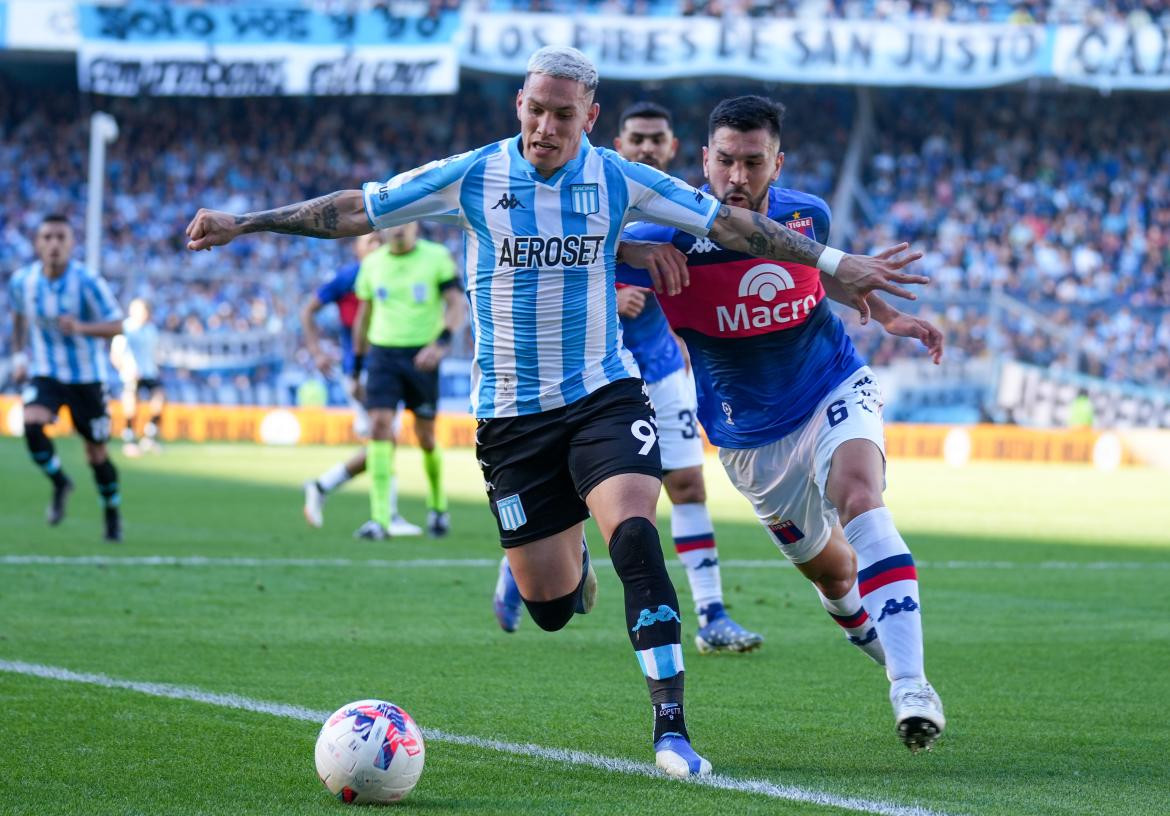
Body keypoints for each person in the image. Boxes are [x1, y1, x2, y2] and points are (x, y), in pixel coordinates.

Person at [185, 46, 925, 776]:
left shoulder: (617, 179)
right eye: (535, 110)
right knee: (549, 602)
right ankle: (571, 569)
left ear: (589, 118)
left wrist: (834, 265)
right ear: (519, 107)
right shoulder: (475, 175)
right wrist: (245, 222)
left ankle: (672, 732)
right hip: (510, 418)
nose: (545, 126)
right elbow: (356, 208)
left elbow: (727, 227)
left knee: (638, 534)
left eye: (563, 114)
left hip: (603, 396)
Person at [619, 95, 946, 752]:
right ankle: (864, 625)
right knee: (831, 574)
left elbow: (822, 276)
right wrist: (618, 284)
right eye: (726, 161)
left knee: (861, 496)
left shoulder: (807, 213)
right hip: (751, 439)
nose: (738, 177)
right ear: (704, 159)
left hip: (831, 384)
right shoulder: (660, 240)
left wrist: (888, 317)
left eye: (753, 162)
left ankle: (911, 683)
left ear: (778, 162)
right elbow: (578, 274)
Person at [491, 101, 764, 654]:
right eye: (635, 138)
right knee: (582, 489)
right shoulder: (589, 194)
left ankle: (711, 612)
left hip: (660, 367)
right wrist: (617, 290)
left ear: (671, 148)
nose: (645, 147)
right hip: (592, 375)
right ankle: (551, 550)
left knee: (687, 484)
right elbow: (544, 267)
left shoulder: (678, 208)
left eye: (655, 139)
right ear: (616, 140)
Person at [300, 232, 425, 536]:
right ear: (356, 249)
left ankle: (324, 487)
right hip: (364, 370)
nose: (377, 245)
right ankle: (383, 513)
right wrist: (316, 351)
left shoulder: (392, 272)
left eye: (379, 241)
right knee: (384, 440)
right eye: (369, 242)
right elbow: (307, 311)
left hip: (389, 367)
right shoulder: (349, 277)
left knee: (384, 442)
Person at [9, 214, 125, 541]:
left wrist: (81, 328)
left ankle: (111, 511)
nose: (54, 244)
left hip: (87, 378)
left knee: (96, 454)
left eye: (61, 237)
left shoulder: (87, 281)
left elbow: (118, 325)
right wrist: (20, 356)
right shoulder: (23, 281)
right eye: (47, 237)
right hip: (46, 372)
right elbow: (18, 315)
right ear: (37, 243)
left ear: (72, 244)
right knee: (31, 423)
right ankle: (60, 481)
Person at [350, 222, 466, 540]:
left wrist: (441, 343)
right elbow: (365, 316)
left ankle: (438, 506)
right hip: (383, 355)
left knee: (425, 437)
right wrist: (356, 367)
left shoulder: (437, 257)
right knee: (378, 427)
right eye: (392, 223)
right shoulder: (372, 263)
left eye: (406, 221)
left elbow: (457, 303)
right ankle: (380, 518)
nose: (399, 228)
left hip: (422, 356)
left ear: (416, 225)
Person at [111, 298, 166, 457]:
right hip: (131, 373)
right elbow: (115, 355)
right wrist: (125, 369)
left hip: (150, 371)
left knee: (159, 397)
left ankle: (150, 436)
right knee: (132, 403)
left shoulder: (151, 330)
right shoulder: (125, 328)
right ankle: (129, 439)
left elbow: (155, 352)